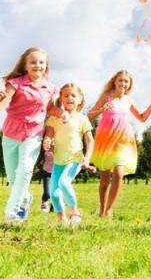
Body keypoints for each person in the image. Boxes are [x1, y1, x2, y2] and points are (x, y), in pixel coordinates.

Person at [0, 47, 60, 225]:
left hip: (33, 134)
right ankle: (25, 198)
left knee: (25, 170)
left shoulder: (50, 88)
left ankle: (11, 213)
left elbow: (50, 108)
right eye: (33, 62)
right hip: (11, 133)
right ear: (26, 65)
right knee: (13, 178)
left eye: (41, 62)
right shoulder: (15, 84)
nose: (37, 65)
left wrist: (63, 113)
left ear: (46, 67)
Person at [87, 70, 151, 218]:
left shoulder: (128, 100)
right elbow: (89, 115)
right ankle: (102, 209)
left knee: (119, 173)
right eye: (121, 80)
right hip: (106, 139)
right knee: (104, 179)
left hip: (123, 139)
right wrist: (101, 110)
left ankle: (108, 210)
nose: (123, 84)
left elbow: (141, 118)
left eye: (126, 82)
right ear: (115, 81)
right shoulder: (106, 96)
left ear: (129, 85)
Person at [43, 83, 96, 226]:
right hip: (58, 161)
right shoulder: (54, 118)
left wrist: (87, 159)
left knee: (64, 182)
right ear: (60, 99)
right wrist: (47, 141)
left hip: (75, 159)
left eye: (73, 95)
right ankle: (62, 219)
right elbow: (48, 135)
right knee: (53, 194)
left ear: (80, 99)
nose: (69, 98)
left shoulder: (82, 118)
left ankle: (75, 212)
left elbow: (90, 141)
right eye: (65, 95)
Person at [39, 146, 54, 213]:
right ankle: (44, 202)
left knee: (55, 193)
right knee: (47, 193)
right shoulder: (45, 145)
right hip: (47, 171)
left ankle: (54, 207)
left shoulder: (60, 145)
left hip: (58, 172)